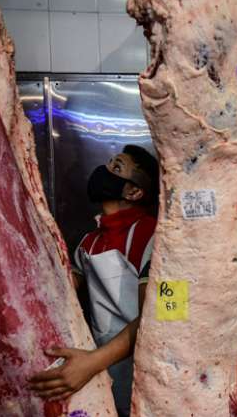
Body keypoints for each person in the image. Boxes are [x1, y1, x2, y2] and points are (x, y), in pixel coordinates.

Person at [28, 145, 158, 416]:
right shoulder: (90, 241)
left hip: (145, 370)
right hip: (100, 368)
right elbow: (62, 290)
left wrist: (91, 363)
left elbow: (157, 318)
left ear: (134, 191)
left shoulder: (152, 236)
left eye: (117, 167)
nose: (106, 170)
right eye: (109, 162)